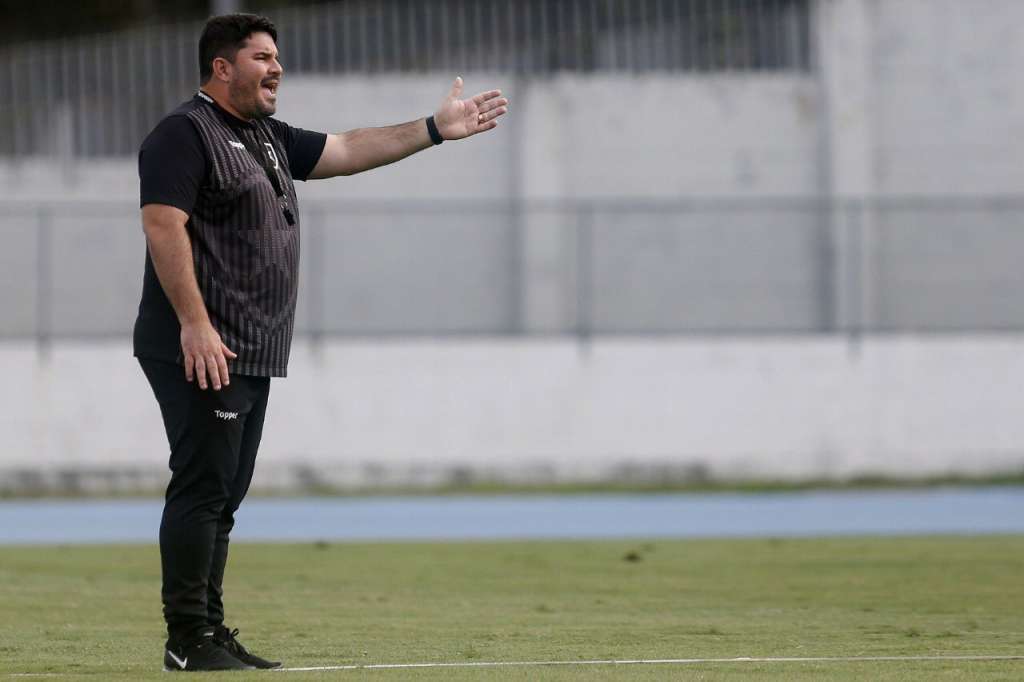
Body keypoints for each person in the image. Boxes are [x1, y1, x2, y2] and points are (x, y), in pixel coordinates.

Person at [134, 13, 508, 672]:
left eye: (277, 56)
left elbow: (345, 149)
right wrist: (194, 322)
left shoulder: (267, 137)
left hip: (249, 346)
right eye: (261, 57)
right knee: (202, 487)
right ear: (221, 67)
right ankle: (186, 637)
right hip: (199, 343)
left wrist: (432, 130)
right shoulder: (184, 134)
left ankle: (209, 632)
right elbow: (163, 226)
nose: (276, 67)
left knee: (225, 492)